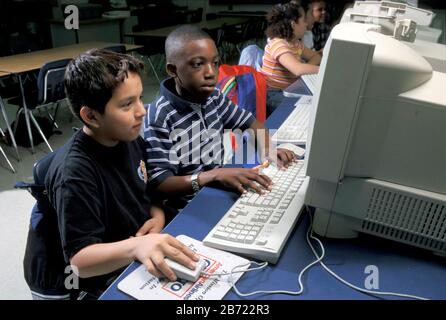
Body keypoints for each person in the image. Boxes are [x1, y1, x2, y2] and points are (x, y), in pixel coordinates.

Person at [30, 49, 198, 299]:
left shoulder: (128, 137)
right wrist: (137, 246)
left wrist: (157, 214)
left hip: (120, 244)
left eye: (140, 98)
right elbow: (80, 261)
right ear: (92, 116)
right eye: (127, 104)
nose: (141, 111)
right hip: (70, 281)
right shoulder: (74, 173)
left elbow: (147, 189)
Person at [144, 25, 297, 212]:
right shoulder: (159, 116)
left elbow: (252, 124)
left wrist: (268, 149)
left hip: (220, 187)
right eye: (198, 64)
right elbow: (161, 183)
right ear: (172, 69)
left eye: (215, 63)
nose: (211, 73)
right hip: (188, 207)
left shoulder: (214, 98)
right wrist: (213, 176)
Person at [261, 2, 321, 115]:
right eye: (303, 20)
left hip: (289, 90)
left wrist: (307, 68)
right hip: (273, 94)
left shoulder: (295, 43)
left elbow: (315, 56)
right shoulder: (278, 44)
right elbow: (297, 69)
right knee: (306, 110)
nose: (306, 23)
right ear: (293, 25)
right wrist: (324, 71)